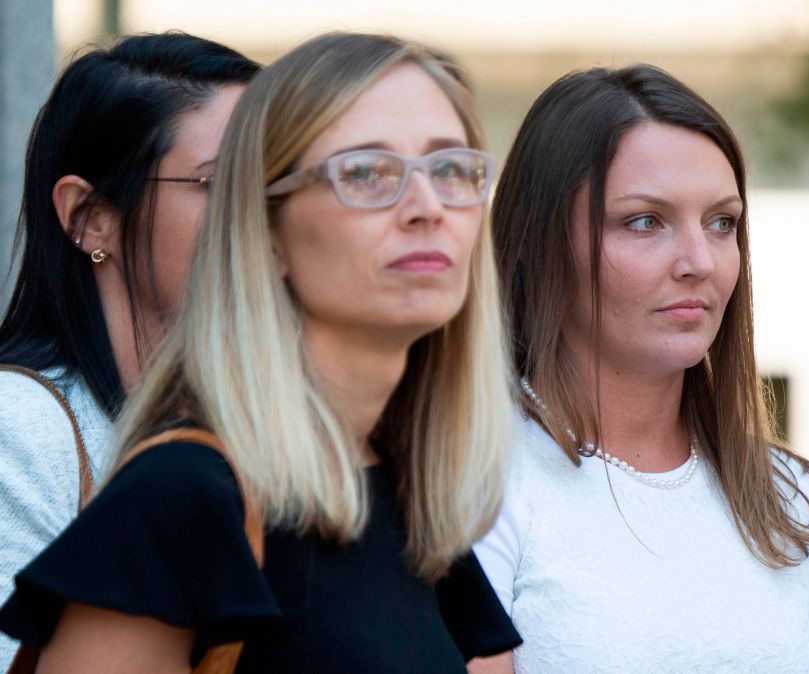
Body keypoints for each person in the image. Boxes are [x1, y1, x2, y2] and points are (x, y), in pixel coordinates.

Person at [0, 32, 520, 673]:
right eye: (364, 172)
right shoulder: (179, 498)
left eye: (451, 169)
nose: (427, 207)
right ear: (260, 227)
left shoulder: (411, 495)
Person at [474, 65, 809, 673]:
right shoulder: (479, 484)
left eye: (722, 223)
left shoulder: (795, 502)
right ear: (540, 241)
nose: (699, 261)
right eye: (645, 221)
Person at [0, 32, 258, 669]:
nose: (260, 214)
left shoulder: (261, 419)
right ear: (88, 217)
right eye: (220, 182)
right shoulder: (20, 430)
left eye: (275, 182)